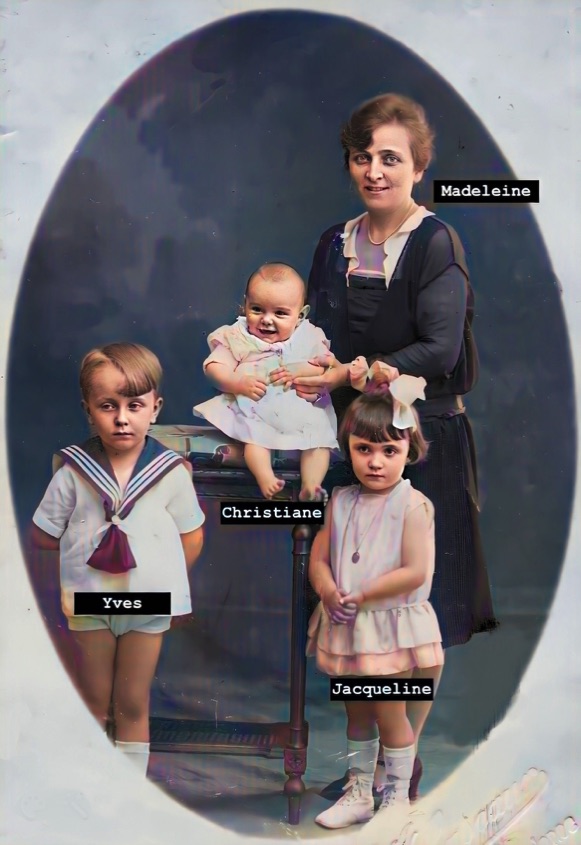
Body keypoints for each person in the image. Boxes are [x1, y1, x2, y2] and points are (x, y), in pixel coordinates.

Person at [292, 93, 498, 800]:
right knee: (356, 611)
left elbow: (440, 349)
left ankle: (397, 765)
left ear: (418, 166)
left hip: (421, 441)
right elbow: (318, 336)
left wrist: (356, 373)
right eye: (362, 157)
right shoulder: (334, 242)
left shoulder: (435, 241)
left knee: (415, 613)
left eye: (390, 157)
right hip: (354, 444)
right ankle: (368, 769)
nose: (374, 170)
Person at [30, 342, 205, 776]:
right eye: (108, 406)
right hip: (90, 603)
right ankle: (90, 787)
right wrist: (84, 552)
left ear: (155, 408)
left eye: (135, 405)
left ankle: (127, 794)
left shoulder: (170, 472)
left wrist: (161, 579)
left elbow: (192, 537)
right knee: (92, 699)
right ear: (89, 411)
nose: (122, 417)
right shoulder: (73, 471)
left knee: (131, 702)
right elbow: (42, 535)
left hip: (146, 605)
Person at [307, 382, 443, 829]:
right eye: (364, 449)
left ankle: (397, 797)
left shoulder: (413, 505)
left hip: (388, 626)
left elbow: (415, 571)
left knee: (389, 711)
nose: (376, 462)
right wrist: (328, 591)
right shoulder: (341, 501)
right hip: (349, 626)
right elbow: (319, 559)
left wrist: (362, 594)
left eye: (389, 450)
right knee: (357, 714)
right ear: (348, 447)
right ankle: (359, 792)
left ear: (409, 450)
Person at [194, 262, 338, 500]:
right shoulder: (238, 336)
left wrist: (302, 369)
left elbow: (326, 366)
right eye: (257, 309)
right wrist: (237, 383)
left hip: (302, 411)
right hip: (255, 408)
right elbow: (214, 367)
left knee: (319, 440)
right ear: (245, 306)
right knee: (254, 438)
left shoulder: (309, 336)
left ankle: (311, 485)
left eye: (280, 313)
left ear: (301, 315)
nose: (267, 320)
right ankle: (265, 478)